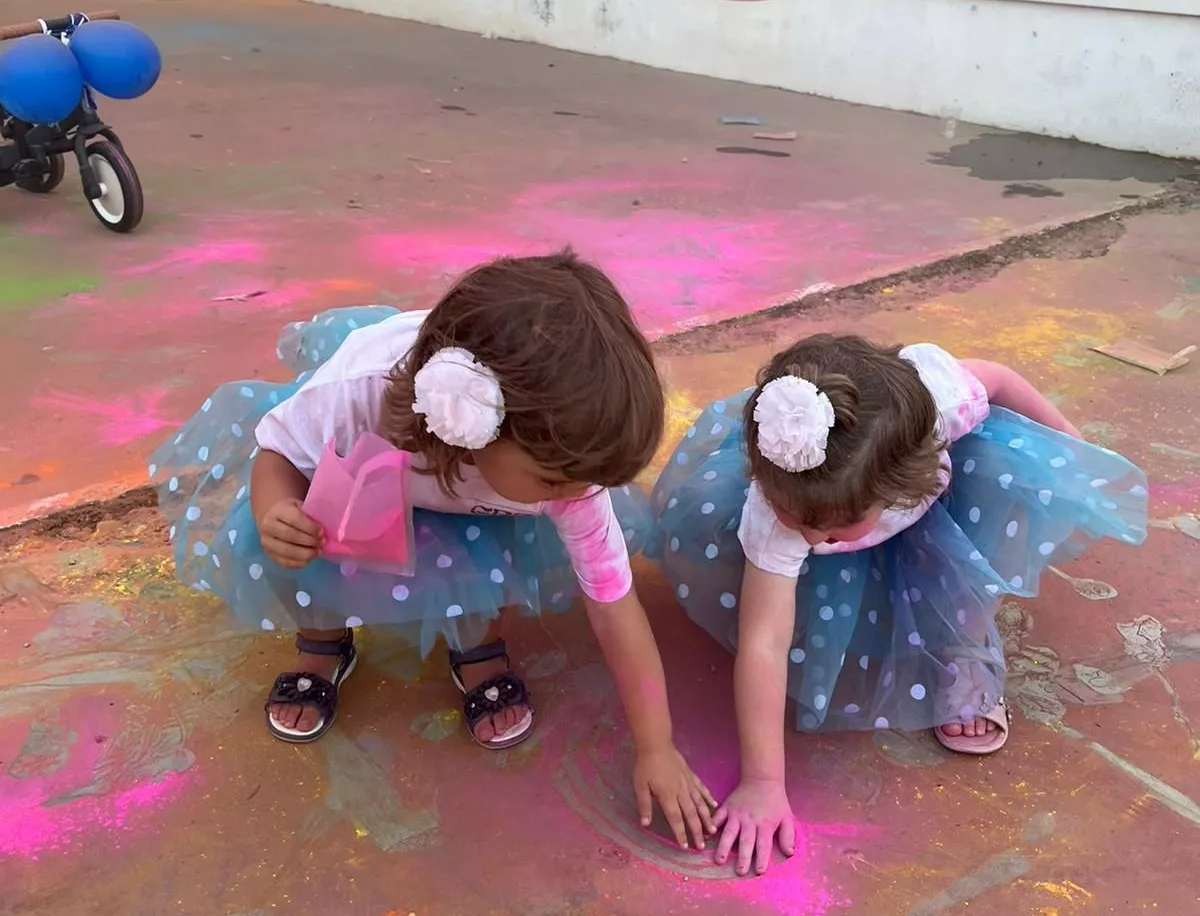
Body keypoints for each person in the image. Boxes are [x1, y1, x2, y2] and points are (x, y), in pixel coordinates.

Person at [149, 249, 716, 848]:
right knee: (306, 547)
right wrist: (275, 512)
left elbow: (614, 604)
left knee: (486, 562)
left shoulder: (570, 472)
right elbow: (280, 450)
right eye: (555, 481)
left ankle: (477, 651)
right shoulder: (356, 397)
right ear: (481, 428)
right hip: (368, 471)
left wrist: (658, 749)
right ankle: (322, 646)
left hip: (475, 494)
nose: (578, 496)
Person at [648, 333, 1147, 874]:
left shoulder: (942, 399)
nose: (815, 538)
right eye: (802, 523)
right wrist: (763, 781)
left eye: (833, 527)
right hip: (850, 505)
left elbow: (1001, 380)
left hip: (938, 509)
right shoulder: (781, 508)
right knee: (785, 585)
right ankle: (885, 590)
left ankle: (964, 650)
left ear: (895, 483)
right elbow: (764, 642)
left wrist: (1067, 443)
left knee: (1006, 493)